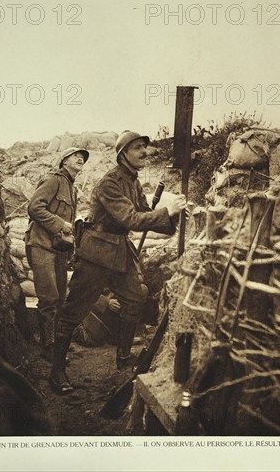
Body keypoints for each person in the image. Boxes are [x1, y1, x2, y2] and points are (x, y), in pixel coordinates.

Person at [49, 131, 187, 394]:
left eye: (145, 147)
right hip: (96, 255)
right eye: (138, 148)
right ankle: (56, 372)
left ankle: (123, 357)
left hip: (119, 252)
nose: (144, 152)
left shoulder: (133, 181)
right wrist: (167, 213)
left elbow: (145, 214)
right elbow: (130, 219)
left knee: (135, 298)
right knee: (72, 313)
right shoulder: (109, 183)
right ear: (123, 153)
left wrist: (174, 218)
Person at [25, 147, 89, 361]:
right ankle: (48, 346)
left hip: (59, 250)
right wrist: (60, 224)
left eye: (83, 158)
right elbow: (34, 207)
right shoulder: (53, 180)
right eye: (75, 156)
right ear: (64, 161)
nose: (80, 159)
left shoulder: (72, 188)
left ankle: (58, 344)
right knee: (49, 298)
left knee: (61, 297)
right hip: (41, 246)